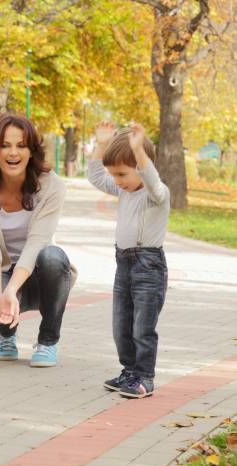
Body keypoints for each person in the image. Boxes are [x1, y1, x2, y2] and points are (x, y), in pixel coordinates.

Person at [0, 113, 76, 367]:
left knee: (53, 256)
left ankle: (47, 341)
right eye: (5, 145)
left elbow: (37, 242)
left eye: (21, 145)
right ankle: (6, 336)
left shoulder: (52, 186)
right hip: (1, 272)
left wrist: (12, 290)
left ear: (31, 151)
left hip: (40, 276)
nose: (13, 153)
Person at [88, 121, 169, 398]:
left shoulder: (157, 195)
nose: (117, 180)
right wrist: (101, 145)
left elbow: (152, 180)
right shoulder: (124, 189)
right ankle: (129, 371)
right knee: (121, 324)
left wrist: (139, 151)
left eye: (122, 173)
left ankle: (145, 376)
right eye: (115, 174)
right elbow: (96, 178)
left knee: (142, 327)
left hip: (148, 267)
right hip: (123, 264)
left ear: (140, 167)